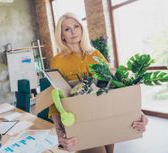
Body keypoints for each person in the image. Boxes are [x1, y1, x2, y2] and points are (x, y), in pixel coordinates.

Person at [48, 12, 148, 153]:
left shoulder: (95, 54)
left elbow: (115, 86)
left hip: (105, 116)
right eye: (67, 29)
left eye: (76, 26)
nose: (73, 31)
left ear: (82, 29)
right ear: (61, 35)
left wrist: (138, 114)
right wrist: (59, 131)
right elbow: (54, 100)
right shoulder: (58, 61)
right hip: (81, 121)